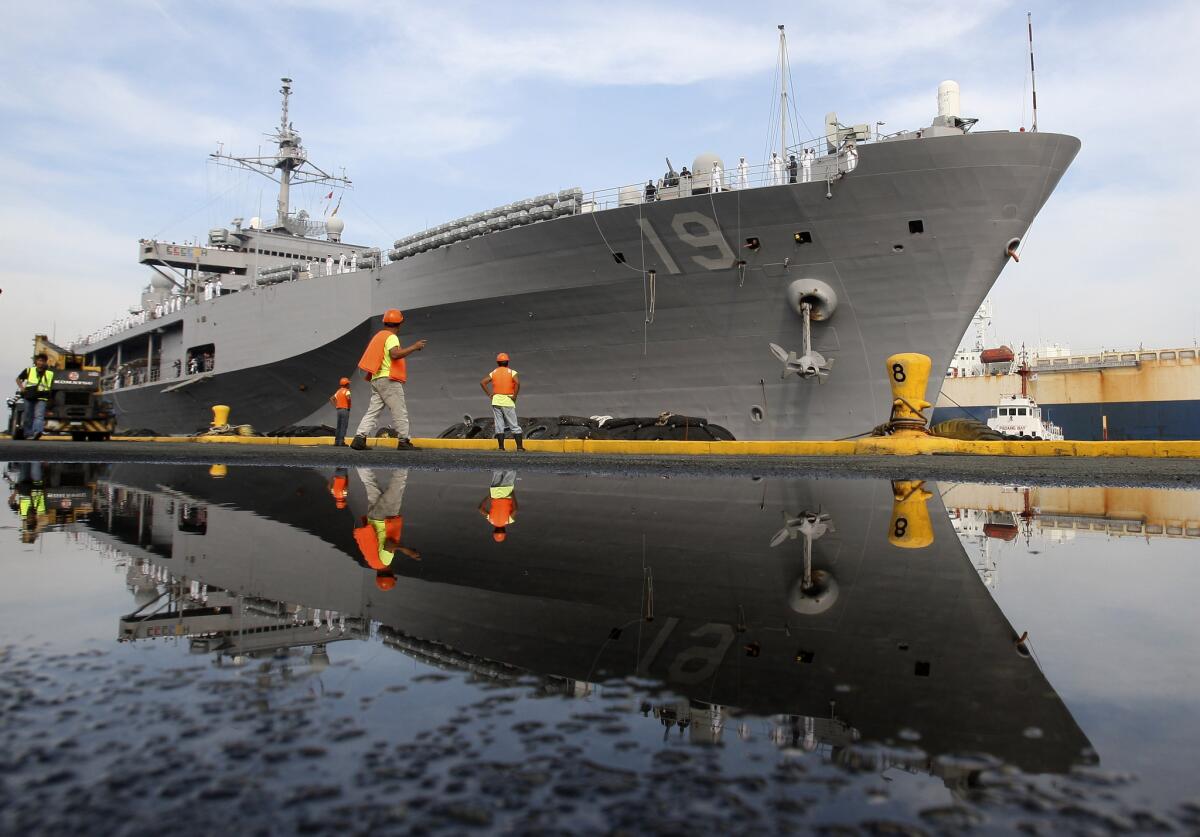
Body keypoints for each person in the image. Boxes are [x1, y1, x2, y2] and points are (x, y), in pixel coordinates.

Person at [349, 308, 427, 451]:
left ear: (385, 322)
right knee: (399, 410)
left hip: (376, 378)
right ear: (399, 324)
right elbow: (395, 354)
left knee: (373, 411)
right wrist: (414, 347)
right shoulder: (391, 337)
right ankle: (404, 441)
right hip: (388, 380)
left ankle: (359, 439)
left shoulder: (379, 336)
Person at [353, 468, 419, 590]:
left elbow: (389, 545)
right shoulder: (372, 562)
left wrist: (406, 550)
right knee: (370, 483)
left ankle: (405, 453)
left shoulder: (385, 561)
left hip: (384, 518)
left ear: (391, 575)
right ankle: (359, 454)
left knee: (398, 484)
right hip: (372, 520)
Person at [480, 352, 524, 451]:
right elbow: (517, 383)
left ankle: (501, 447)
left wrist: (490, 394)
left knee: (499, 424)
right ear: (507, 362)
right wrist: (514, 396)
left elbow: (482, 382)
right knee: (513, 424)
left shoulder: (494, 372)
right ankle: (520, 447)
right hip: (507, 400)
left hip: (496, 401)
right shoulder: (512, 372)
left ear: (498, 362)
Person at [15, 352, 54, 440]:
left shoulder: (50, 373)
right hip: (29, 396)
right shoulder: (29, 370)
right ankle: (28, 433)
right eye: (39, 360)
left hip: (42, 397)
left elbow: (51, 385)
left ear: (45, 362)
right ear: (36, 361)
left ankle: (37, 432)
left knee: (39, 416)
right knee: (28, 415)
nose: (41, 362)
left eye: (43, 361)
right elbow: (18, 379)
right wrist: (21, 388)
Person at [479, 469, 518, 542]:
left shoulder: (508, 520)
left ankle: (512, 457)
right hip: (494, 492)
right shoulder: (491, 520)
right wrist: (489, 496)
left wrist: (513, 495)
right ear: (494, 531)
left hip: (506, 492)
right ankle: (499, 457)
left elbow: (515, 510)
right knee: (498, 470)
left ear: (505, 531)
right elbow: (480, 509)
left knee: (511, 470)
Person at [329, 376, 352, 446]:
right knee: (344, 426)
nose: (349, 385)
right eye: (348, 383)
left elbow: (331, 398)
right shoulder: (347, 391)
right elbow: (348, 398)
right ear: (346, 384)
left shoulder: (338, 391)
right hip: (345, 410)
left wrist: (336, 405)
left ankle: (336, 441)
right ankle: (341, 441)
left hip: (338, 410)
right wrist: (348, 401)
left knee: (338, 426)